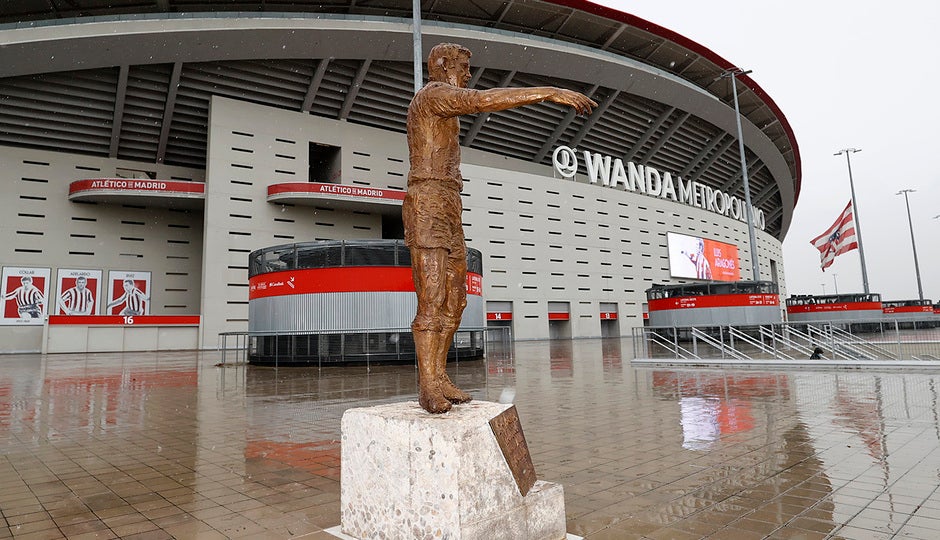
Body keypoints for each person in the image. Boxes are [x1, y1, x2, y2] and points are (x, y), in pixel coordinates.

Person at [404, 42, 596, 413]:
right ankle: (428, 384)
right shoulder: (434, 96)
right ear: (443, 66)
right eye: (463, 66)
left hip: (448, 201)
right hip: (427, 201)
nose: (468, 73)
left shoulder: (443, 99)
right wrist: (549, 92)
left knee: (456, 299)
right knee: (431, 298)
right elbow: (480, 101)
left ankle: (439, 374)